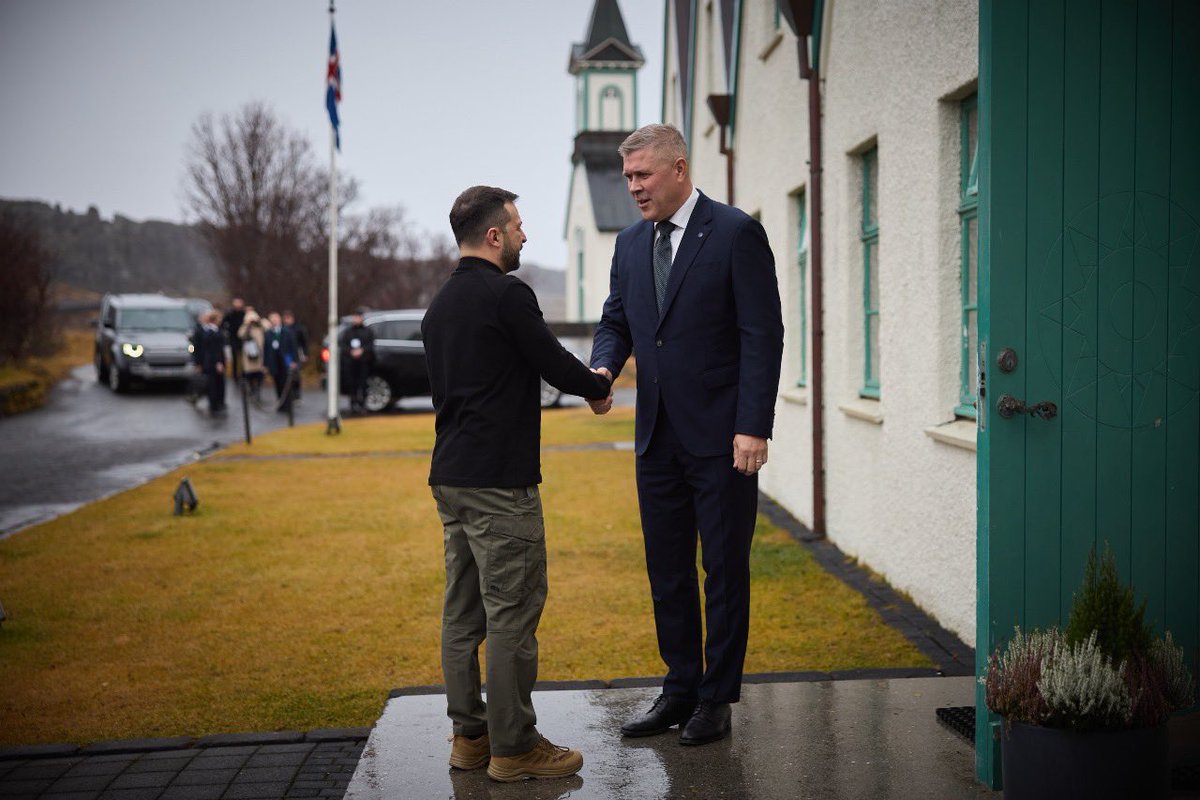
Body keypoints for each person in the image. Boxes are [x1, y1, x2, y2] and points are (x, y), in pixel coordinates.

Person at [588, 124, 784, 746]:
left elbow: (763, 335)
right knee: (666, 568)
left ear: (678, 167)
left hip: (725, 438)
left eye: (643, 175)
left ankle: (716, 699)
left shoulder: (735, 233)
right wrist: (602, 367)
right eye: (628, 178)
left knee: (723, 570)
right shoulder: (627, 244)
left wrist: (753, 425)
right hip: (656, 438)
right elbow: (616, 319)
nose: (634, 188)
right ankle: (678, 689)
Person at [422, 186, 611, 782]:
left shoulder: (439, 306)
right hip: (500, 484)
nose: (526, 235)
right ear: (495, 236)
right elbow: (552, 360)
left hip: (451, 478)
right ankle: (514, 747)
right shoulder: (507, 294)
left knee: (462, 614)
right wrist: (597, 383)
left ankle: (468, 739)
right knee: (512, 614)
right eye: (519, 226)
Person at [339, 310, 374, 414]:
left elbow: (370, 345)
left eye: (358, 317)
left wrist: (362, 350)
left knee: (363, 384)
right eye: (355, 317)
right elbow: (343, 346)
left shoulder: (367, 331)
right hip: (351, 363)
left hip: (364, 362)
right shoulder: (348, 332)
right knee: (352, 384)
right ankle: (353, 404)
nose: (357, 319)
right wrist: (351, 352)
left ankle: (363, 404)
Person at [263, 311, 299, 410]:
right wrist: (265, 365)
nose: (274, 322)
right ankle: (281, 403)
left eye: (276, 319)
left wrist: (294, 361)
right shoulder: (268, 334)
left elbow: (293, 347)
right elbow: (266, 350)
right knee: (277, 383)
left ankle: (288, 403)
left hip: (285, 361)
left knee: (286, 382)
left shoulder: (287, 332)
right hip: (274, 362)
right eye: (272, 320)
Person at [199, 310, 227, 416]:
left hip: (214, 361)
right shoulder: (211, 333)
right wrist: (218, 362)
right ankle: (213, 404)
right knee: (213, 384)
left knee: (218, 383)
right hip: (213, 362)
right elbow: (214, 350)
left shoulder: (213, 331)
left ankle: (217, 403)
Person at [237, 307, 268, 405]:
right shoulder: (245, 327)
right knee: (250, 374)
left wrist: (258, 321)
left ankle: (258, 390)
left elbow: (267, 327)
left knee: (259, 373)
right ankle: (252, 389)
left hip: (260, 354)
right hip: (249, 355)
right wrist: (248, 325)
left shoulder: (260, 326)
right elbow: (240, 335)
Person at [283, 310, 308, 401]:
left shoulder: (299, 329)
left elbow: (304, 342)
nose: (286, 321)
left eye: (288, 318)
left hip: (297, 354)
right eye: (285, 318)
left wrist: (305, 354)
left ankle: (296, 393)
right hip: (286, 355)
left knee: (295, 374)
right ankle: (288, 393)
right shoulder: (283, 329)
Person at [221, 297, 246, 383]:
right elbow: (223, 324)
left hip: (243, 338)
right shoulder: (230, 314)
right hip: (233, 338)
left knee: (244, 357)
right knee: (234, 358)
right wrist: (227, 331)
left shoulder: (244, 313)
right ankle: (235, 376)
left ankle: (243, 374)